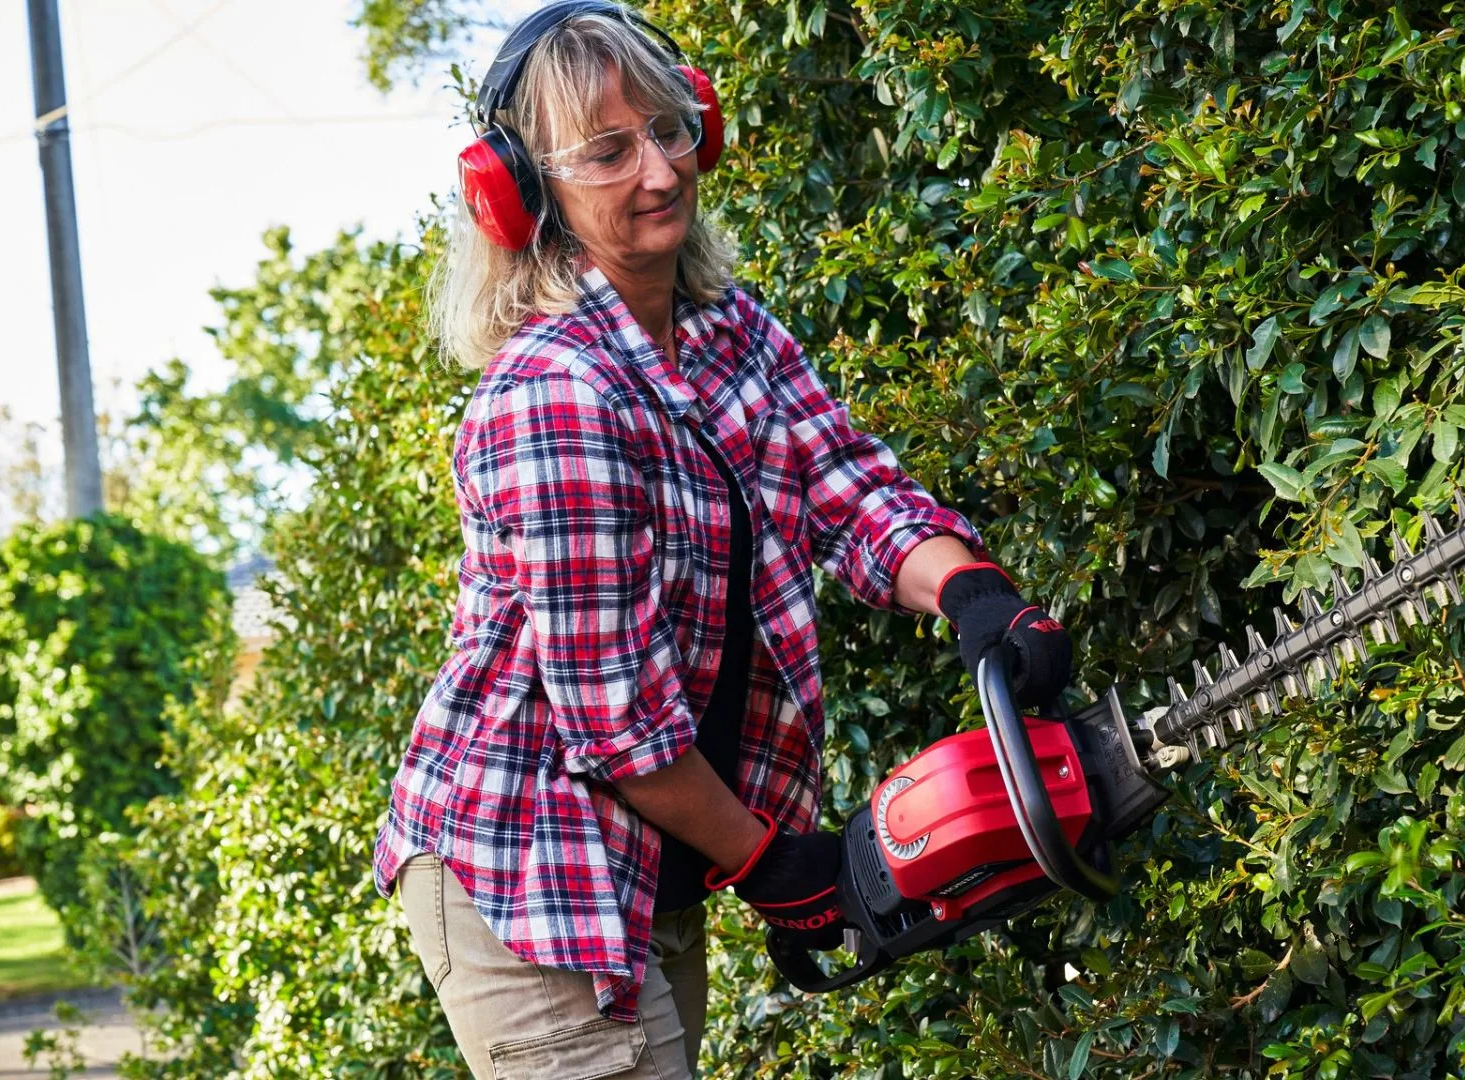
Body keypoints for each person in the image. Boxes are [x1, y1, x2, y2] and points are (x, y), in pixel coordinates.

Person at [370, 5, 1076, 1078]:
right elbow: (614, 721)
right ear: (521, 196)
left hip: (648, 855)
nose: (658, 169)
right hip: (526, 856)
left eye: (668, 128)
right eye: (608, 152)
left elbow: (843, 485)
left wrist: (973, 593)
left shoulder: (726, 327)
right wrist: (769, 860)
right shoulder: (552, 396)